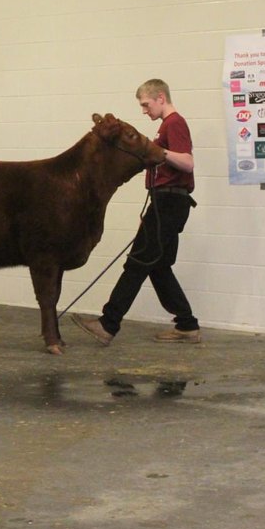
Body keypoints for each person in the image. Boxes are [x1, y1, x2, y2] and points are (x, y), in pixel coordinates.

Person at [72, 78, 201, 346]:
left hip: (169, 203)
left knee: (137, 263)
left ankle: (108, 324)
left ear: (160, 98)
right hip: (166, 202)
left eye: (146, 104)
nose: (144, 111)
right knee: (159, 266)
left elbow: (187, 163)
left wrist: (156, 151)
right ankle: (187, 325)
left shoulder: (174, 123)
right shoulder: (166, 125)